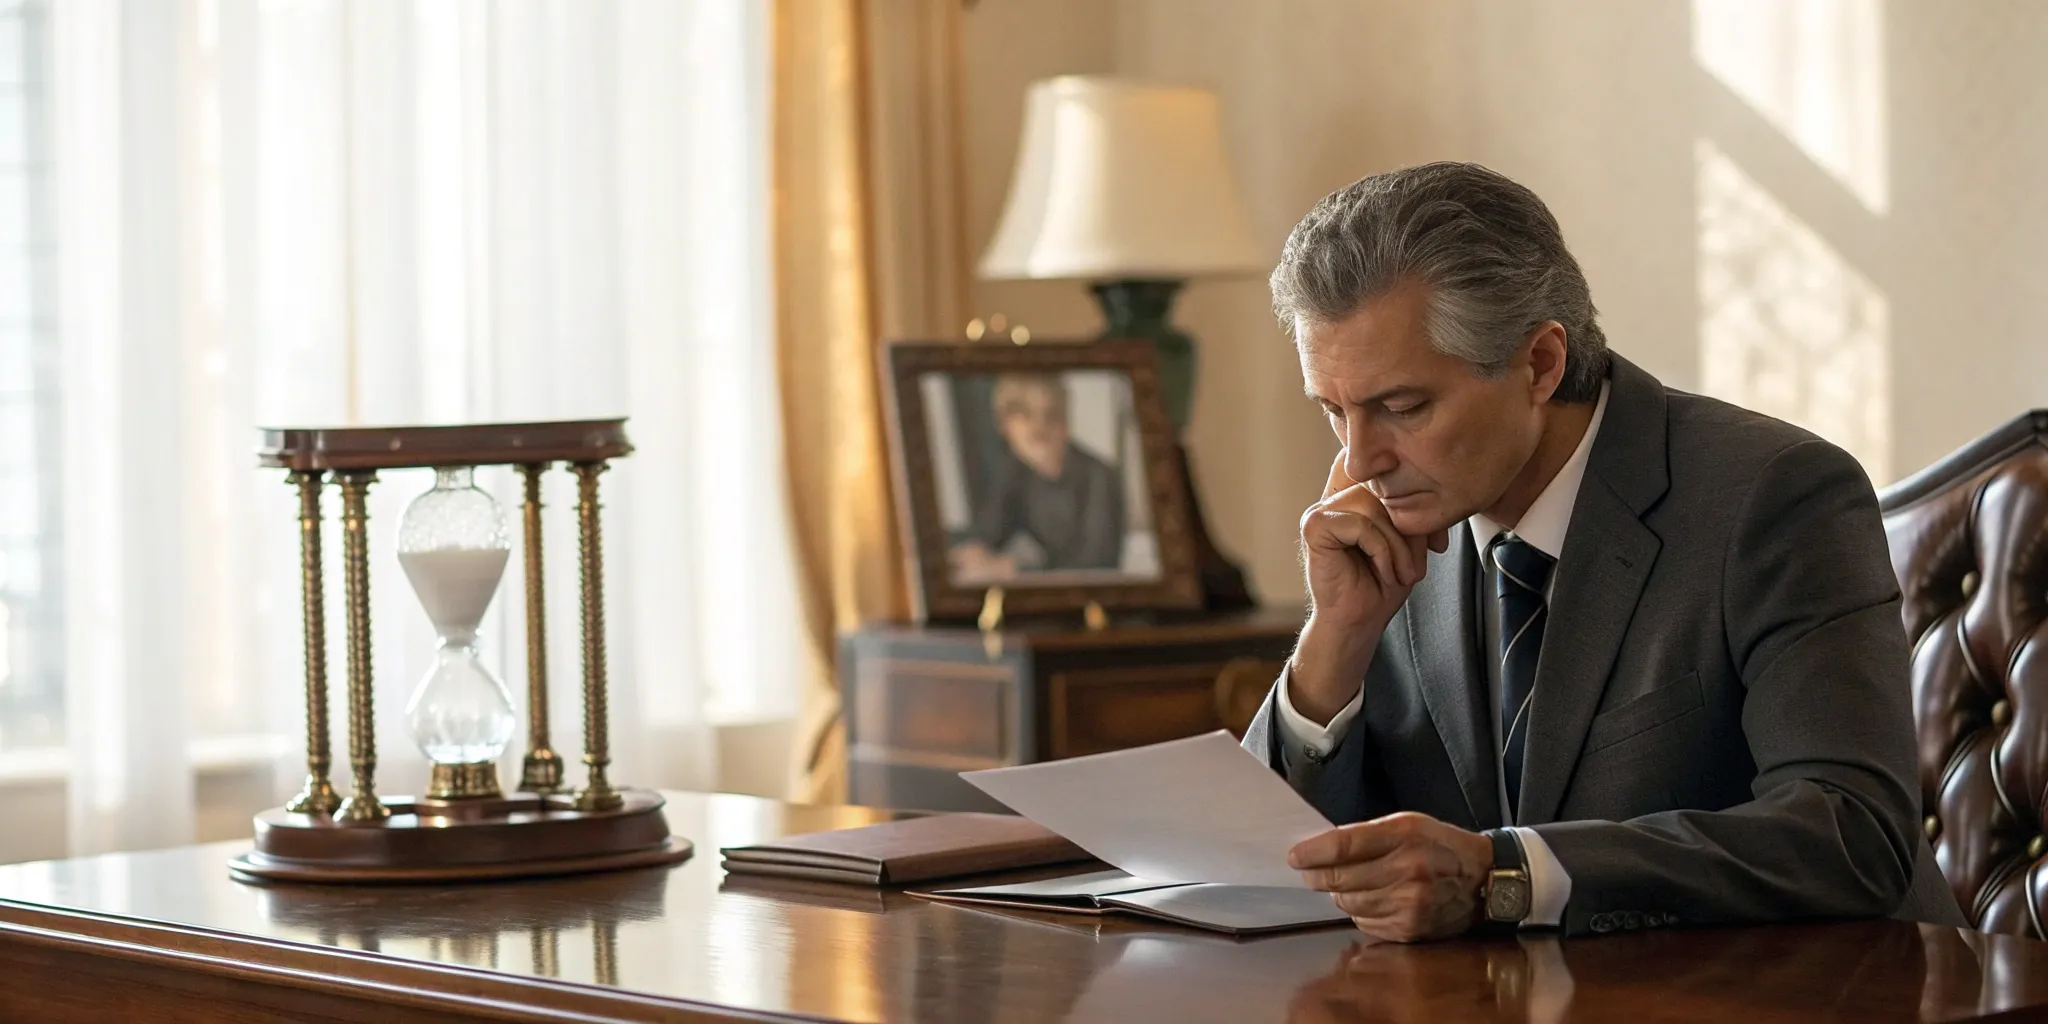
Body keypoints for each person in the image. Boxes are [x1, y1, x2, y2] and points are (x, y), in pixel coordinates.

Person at [1245, 161, 1964, 941]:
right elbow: (1260, 867)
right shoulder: (1392, 530)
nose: (1358, 460)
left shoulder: (1775, 496)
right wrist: (1336, 642)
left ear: (1541, 364)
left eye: (1403, 406)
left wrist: (1508, 875)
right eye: (1334, 411)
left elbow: (1853, 834)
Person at [949, 373, 1126, 581]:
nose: (1039, 428)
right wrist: (971, 551)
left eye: (1051, 415)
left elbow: (1098, 562)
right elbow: (991, 530)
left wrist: (1017, 569)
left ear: (1065, 422)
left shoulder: (1100, 477)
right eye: (1024, 415)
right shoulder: (1017, 472)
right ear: (1004, 425)